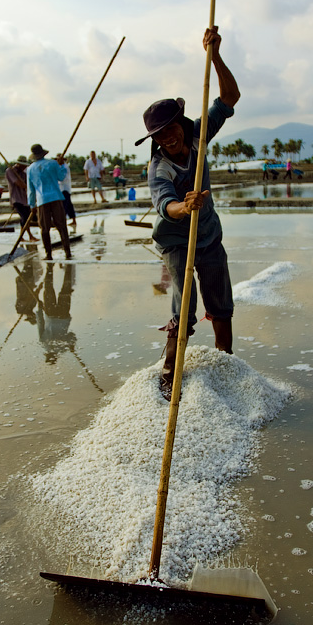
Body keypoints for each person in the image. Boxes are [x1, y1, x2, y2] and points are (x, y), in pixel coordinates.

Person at [135, 26, 240, 400]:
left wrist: (214, 57)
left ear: (181, 122)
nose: (169, 139)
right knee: (185, 304)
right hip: (176, 240)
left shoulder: (197, 133)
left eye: (171, 130)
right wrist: (185, 206)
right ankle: (169, 374)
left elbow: (230, 96)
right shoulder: (158, 168)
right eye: (159, 136)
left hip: (208, 235)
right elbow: (166, 206)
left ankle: (227, 364)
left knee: (220, 302)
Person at [27, 144, 71, 261]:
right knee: (62, 226)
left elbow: (31, 190)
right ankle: (67, 252)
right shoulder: (52, 163)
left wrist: (32, 205)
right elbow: (61, 177)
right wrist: (61, 165)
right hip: (55, 197)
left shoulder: (30, 169)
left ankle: (49, 254)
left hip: (42, 201)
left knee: (45, 229)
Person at [5, 156, 38, 241]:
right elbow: (19, 184)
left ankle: (21, 237)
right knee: (25, 217)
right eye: (23, 165)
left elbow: (30, 183)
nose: (25, 167)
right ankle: (30, 236)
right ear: (18, 164)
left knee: (25, 218)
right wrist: (27, 186)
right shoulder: (10, 171)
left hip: (24, 199)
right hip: (16, 199)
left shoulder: (23, 174)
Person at [55, 155, 76, 227]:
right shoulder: (62, 167)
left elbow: (62, 178)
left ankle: (63, 222)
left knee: (64, 206)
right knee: (69, 205)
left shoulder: (64, 167)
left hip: (64, 189)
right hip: (64, 188)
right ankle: (73, 221)